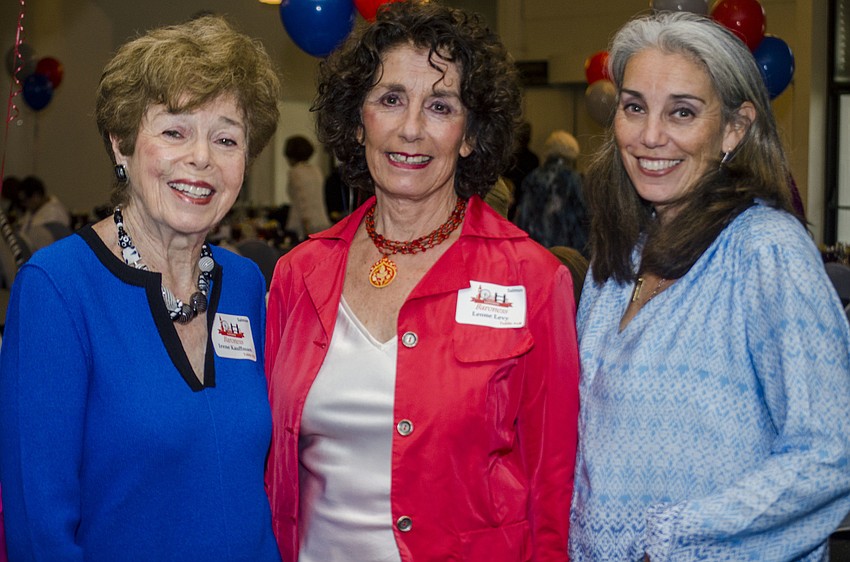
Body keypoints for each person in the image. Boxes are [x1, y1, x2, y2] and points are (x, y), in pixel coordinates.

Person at [264, 2, 580, 561]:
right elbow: (271, 466)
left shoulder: (531, 278)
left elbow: (553, 486)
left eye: (440, 106)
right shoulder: (298, 273)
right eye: (390, 100)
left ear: (469, 135)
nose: (410, 129)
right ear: (358, 120)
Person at [569, 11, 850, 561]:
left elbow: (831, 452)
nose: (651, 136)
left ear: (734, 129)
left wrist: (678, 538)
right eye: (634, 108)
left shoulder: (765, 251)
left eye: (682, 112)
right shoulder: (619, 257)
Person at [0, 15, 282, 561]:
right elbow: (39, 533)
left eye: (226, 138)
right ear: (122, 146)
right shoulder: (58, 289)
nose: (201, 157)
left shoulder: (245, 283)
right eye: (174, 131)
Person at [514, 130, 589, 253]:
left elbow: (524, 216)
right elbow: (582, 219)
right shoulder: (574, 180)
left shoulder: (533, 177)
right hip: (566, 252)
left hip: (535, 248)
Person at [283, 135, 331, 238]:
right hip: (322, 221)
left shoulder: (295, 172)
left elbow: (303, 202)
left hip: (304, 226)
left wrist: (307, 228)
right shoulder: (317, 170)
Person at [16, 175, 72, 251]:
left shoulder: (55, 213)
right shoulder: (33, 210)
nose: (24, 204)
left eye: (25, 200)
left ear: (36, 196)